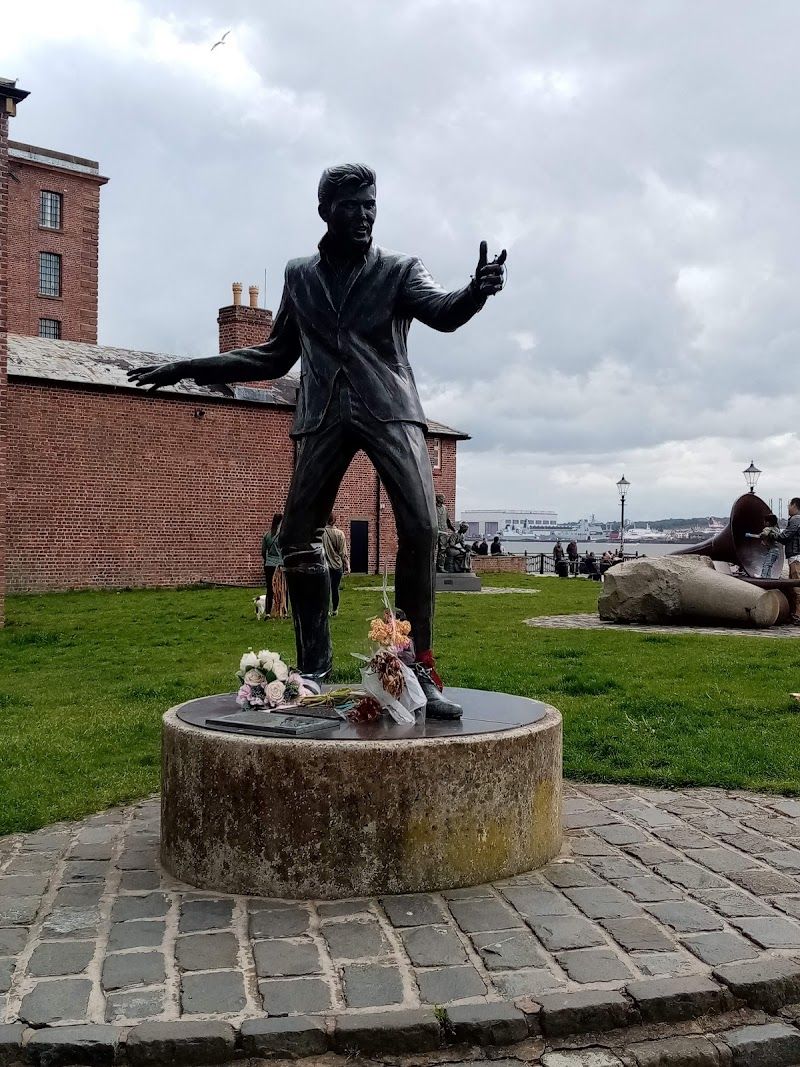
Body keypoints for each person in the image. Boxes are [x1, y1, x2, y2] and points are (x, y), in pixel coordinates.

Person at [127, 163, 506, 721]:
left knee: (422, 527)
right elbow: (275, 354)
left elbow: (443, 312)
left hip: (389, 409)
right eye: (353, 205)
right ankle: (315, 671)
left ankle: (416, 668)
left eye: (371, 204)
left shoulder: (400, 270)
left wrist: (475, 291)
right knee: (299, 536)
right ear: (327, 210)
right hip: (321, 414)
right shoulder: (300, 274)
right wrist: (190, 365)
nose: (365, 215)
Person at [776, 498, 800, 623]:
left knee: (796, 587)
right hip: (795, 557)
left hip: (796, 557)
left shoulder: (796, 519)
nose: (788, 508)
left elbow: (785, 536)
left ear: (794, 505)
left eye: (789, 505)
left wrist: (771, 535)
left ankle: (798, 615)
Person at [322, 514, 349, 616]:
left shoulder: (321, 533)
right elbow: (343, 553)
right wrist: (347, 565)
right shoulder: (340, 534)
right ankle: (335, 609)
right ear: (335, 521)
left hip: (325, 565)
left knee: (326, 589)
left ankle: (326, 610)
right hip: (337, 565)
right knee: (335, 588)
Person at [745, 513, 781, 579]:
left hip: (772, 550)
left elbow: (761, 535)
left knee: (766, 564)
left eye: (765, 521)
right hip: (777, 551)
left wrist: (749, 535)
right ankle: (768, 577)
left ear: (768, 522)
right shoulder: (776, 529)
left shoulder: (767, 529)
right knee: (769, 565)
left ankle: (763, 576)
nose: (764, 523)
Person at [261, 513, 283, 617]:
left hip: (269, 564)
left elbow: (263, 551)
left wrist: (267, 560)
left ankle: (268, 612)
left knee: (269, 589)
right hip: (280, 564)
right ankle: (282, 610)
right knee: (282, 588)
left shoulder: (267, 535)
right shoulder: (282, 535)